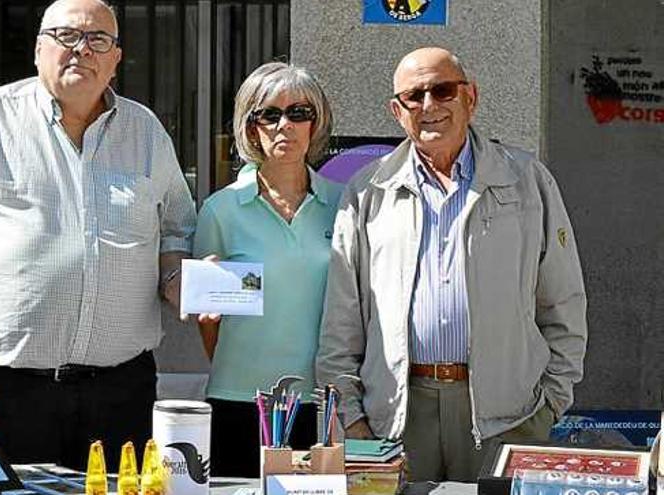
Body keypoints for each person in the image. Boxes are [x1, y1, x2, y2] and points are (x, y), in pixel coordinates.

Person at [0, 0, 196, 470]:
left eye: (97, 40)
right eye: (66, 36)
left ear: (115, 59)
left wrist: (180, 282)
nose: (81, 50)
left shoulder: (147, 132)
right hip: (5, 389)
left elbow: (175, 233)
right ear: (38, 49)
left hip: (122, 392)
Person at [316, 47, 587, 482]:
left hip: (506, 416)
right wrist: (350, 415)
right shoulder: (368, 191)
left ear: (470, 97)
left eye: (442, 91)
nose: (429, 106)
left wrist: (551, 400)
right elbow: (341, 317)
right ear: (396, 111)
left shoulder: (526, 180)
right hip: (398, 417)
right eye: (414, 96)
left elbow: (564, 299)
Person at [193, 62, 341, 477]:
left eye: (298, 113)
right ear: (250, 126)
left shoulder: (345, 204)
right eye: (269, 114)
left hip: (319, 400)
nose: (284, 126)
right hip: (239, 396)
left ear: (315, 123)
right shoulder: (220, 210)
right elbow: (209, 319)